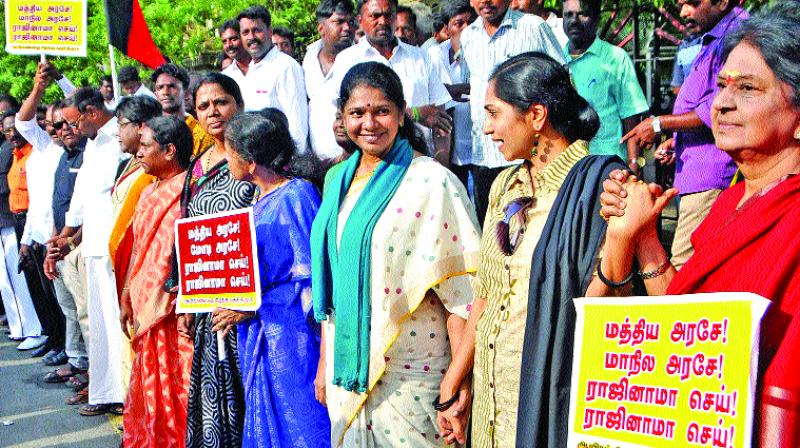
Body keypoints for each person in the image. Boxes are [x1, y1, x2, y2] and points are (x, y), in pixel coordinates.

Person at [599, 3, 800, 446]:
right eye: (723, 85)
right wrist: (644, 237)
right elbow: (693, 332)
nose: (723, 103)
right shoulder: (733, 200)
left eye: (748, 88)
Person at [435, 52, 624, 447]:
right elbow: (486, 294)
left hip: (549, 391)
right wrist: (456, 380)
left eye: (494, 113)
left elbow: (609, 301)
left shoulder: (601, 186)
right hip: (491, 394)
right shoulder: (506, 186)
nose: (486, 129)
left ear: (536, 116)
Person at [311, 61, 481, 447]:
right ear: (342, 117)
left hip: (414, 372)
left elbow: (463, 296)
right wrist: (325, 362)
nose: (369, 123)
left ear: (402, 114)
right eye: (357, 113)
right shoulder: (336, 179)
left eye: (382, 111)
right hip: (348, 369)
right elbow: (334, 284)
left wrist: (460, 381)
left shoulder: (432, 180)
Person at [218, 112, 331, 447]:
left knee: (301, 426)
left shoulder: (296, 195)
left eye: (229, 151)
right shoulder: (257, 200)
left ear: (249, 161)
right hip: (263, 335)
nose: (225, 158)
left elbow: (314, 281)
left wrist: (255, 308)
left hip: (293, 340)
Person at [620, 0, 748, 269]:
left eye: (692, 3)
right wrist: (675, 140)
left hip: (710, 174)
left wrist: (658, 124)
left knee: (683, 265)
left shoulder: (737, 36)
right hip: (694, 173)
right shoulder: (714, 37)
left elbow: (716, 108)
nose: (684, 13)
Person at [171, 72, 256, 448]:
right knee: (214, 395)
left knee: (250, 392)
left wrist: (250, 302)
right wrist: (186, 298)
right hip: (208, 305)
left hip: (253, 307)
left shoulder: (259, 156)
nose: (213, 111)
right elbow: (186, 229)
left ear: (238, 104)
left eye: (221, 101)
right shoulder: (198, 165)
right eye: (203, 106)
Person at [120, 115, 194, 447]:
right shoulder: (151, 191)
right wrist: (126, 293)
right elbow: (140, 248)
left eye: (145, 146)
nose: (138, 153)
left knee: (178, 383)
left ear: (169, 151)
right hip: (146, 305)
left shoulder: (189, 192)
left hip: (173, 312)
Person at [459, 0, 566, 223]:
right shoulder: (468, 36)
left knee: (532, 227)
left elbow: (561, 81)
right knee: (492, 229)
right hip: (484, 156)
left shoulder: (532, 28)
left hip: (528, 155)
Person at [57, 87, 128, 416]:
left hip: (117, 244)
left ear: (91, 114)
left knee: (117, 326)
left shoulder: (120, 138)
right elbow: (83, 193)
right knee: (100, 327)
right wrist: (68, 231)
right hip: (94, 245)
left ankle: (125, 393)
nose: (71, 130)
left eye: (74, 123)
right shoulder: (94, 143)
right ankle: (106, 390)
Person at [328, 0, 453, 161]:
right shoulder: (347, 60)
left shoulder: (420, 57)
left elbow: (440, 121)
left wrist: (442, 167)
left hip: (419, 163)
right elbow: (346, 119)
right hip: (370, 164)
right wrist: (416, 113)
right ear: (360, 20)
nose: (383, 21)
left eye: (388, 15)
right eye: (375, 16)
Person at [15, 65, 72, 368]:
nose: (56, 129)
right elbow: (23, 121)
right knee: (52, 300)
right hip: (38, 237)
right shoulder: (44, 147)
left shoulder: (75, 150)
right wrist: (38, 86)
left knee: (68, 304)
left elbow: (78, 101)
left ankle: (71, 352)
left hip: (63, 237)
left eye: (62, 122)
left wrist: (60, 79)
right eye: (51, 123)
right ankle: (58, 342)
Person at [3, 110, 62, 357]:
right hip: (29, 227)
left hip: (53, 231)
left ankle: (66, 347)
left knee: (60, 298)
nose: (13, 134)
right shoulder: (22, 157)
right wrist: (27, 240)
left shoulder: (50, 151)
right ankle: (55, 338)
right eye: (6, 130)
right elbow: (35, 200)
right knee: (41, 290)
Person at [563, 0, 649, 166]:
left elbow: (630, 116)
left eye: (582, 14)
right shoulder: (556, 60)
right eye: (568, 15)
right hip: (568, 169)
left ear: (596, 19)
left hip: (608, 165)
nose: (574, 20)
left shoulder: (615, 59)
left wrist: (634, 164)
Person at [235, 6, 309, 153]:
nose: (251, 37)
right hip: (260, 162)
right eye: (245, 32)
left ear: (269, 31)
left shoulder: (285, 66)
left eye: (257, 30)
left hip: (284, 163)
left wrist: (294, 164)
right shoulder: (251, 71)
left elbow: (297, 124)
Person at [0, 112, 42, 351]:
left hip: (28, 220)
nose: (12, 134)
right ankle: (29, 329)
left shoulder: (32, 153)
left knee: (26, 279)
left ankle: (35, 330)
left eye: (15, 128)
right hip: (15, 219)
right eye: (7, 130)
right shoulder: (14, 154)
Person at [430, 0, 476, 190]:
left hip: (481, 151)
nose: (467, 29)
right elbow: (431, 96)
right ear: (447, 30)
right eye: (459, 24)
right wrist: (449, 91)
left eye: (471, 23)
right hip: (450, 151)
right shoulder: (434, 56)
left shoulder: (484, 51)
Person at [303, 0, 356, 165]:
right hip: (317, 163)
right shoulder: (309, 58)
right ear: (321, 28)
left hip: (353, 159)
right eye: (339, 22)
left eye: (350, 22)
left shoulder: (362, 59)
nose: (347, 28)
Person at [150, 63, 215, 155]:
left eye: (172, 86)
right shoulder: (149, 132)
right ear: (155, 93)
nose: (165, 92)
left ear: (186, 92)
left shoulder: (202, 135)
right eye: (160, 87)